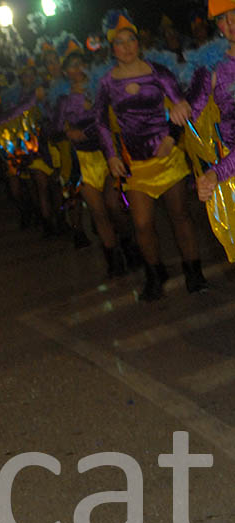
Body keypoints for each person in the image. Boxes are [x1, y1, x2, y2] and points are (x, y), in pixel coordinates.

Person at [96, 9, 208, 300]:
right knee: (142, 224)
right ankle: (155, 273)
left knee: (180, 216)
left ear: (138, 42)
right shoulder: (107, 82)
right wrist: (111, 156)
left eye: (131, 39)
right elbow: (100, 122)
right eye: (119, 42)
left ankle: (194, 271)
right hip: (136, 165)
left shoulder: (159, 72)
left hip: (168, 159)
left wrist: (172, 137)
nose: (127, 46)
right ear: (112, 48)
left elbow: (181, 105)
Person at [52, 36, 135, 276]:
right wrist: (67, 131)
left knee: (114, 206)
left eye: (80, 63)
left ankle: (130, 245)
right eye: (71, 66)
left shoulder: (101, 87)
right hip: (84, 161)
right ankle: (114, 259)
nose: (77, 69)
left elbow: (112, 117)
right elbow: (55, 129)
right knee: (97, 211)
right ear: (65, 71)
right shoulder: (64, 99)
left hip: (107, 154)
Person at [185, 0, 235, 262]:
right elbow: (190, 117)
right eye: (224, 19)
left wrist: (215, 173)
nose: (232, 24)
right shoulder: (212, 68)